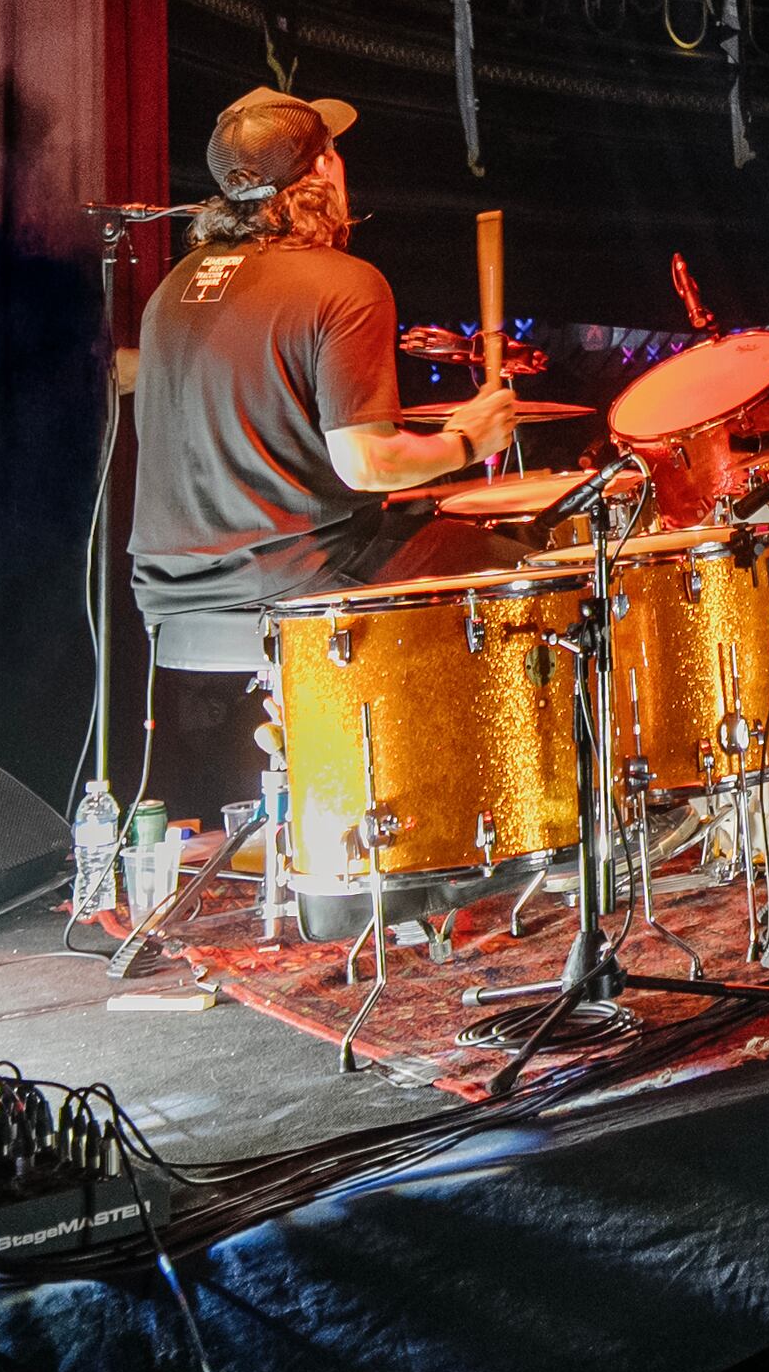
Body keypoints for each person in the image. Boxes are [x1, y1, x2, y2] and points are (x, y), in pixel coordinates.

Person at [126, 90, 521, 826]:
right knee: (523, 573)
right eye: (333, 153)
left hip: (170, 600)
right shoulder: (345, 283)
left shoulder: (173, 289)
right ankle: (481, 818)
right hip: (294, 580)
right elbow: (365, 465)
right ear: (321, 173)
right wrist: (468, 440)